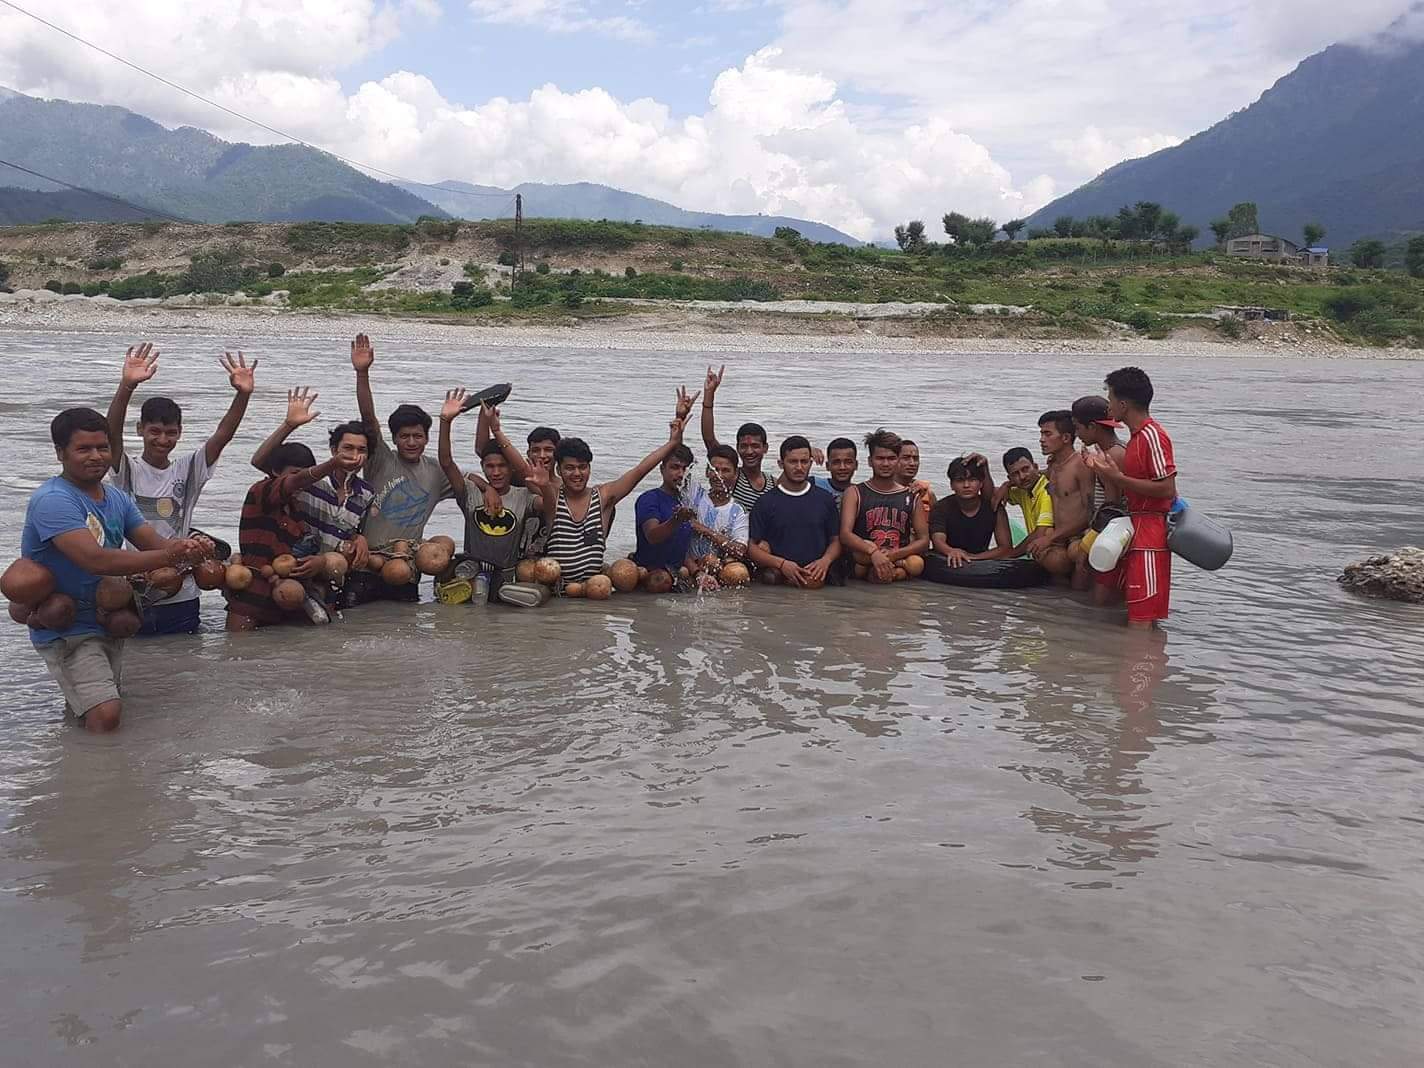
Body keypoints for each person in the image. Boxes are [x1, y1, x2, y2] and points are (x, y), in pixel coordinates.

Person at [22, 408, 207, 731]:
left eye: (102, 447)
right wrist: (170, 556)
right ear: (60, 453)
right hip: (66, 625)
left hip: (105, 619)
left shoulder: (117, 498)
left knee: (89, 711)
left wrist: (189, 548)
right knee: (106, 714)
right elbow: (96, 560)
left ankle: (76, 758)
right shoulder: (53, 499)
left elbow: (153, 543)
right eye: (84, 449)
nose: (96, 456)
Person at [104, 342, 254, 634]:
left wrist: (243, 395)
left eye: (170, 433)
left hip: (183, 592)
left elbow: (223, 435)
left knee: (185, 654)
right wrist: (127, 386)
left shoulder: (187, 470)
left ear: (180, 433)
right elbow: (111, 436)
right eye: (155, 431)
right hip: (139, 585)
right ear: (140, 430)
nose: (162, 440)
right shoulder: (127, 471)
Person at [545, 388, 699, 585]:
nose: (577, 474)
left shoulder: (603, 497)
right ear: (558, 470)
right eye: (569, 468)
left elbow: (640, 470)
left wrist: (673, 441)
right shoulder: (551, 498)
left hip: (596, 587)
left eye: (582, 467)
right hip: (556, 588)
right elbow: (525, 474)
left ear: (589, 468)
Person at [350, 333, 454, 602]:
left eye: (417, 436)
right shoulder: (381, 459)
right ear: (395, 439)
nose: (411, 442)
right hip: (367, 562)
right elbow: (369, 420)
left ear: (427, 438)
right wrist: (362, 373)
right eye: (404, 436)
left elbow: (466, 483)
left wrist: (486, 488)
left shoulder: (436, 472)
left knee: (405, 621)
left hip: (406, 565)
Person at [224, 443, 365, 631]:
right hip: (252, 594)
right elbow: (295, 481)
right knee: (237, 644)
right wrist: (333, 464)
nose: (302, 483)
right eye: (295, 474)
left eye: (304, 475)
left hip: (285, 594)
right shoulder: (261, 491)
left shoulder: (296, 506)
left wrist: (317, 562)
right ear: (276, 472)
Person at [1084, 367, 1178, 627]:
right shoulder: (1136, 438)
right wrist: (1106, 472)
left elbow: (1167, 489)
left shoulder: (1152, 436)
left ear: (1123, 405)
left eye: (1111, 399)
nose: (1109, 406)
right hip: (1134, 529)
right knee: (1123, 606)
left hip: (1150, 534)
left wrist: (1117, 478)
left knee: (1141, 620)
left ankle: (1142, 654)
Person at [438, 391, 554, 589]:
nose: (496, 472)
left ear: (511, 468)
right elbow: (447, 462)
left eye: (502, 466)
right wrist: (445, 422)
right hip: (472, 571)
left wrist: (544, 486)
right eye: (490, 467)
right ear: (482, 467)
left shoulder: (523, 495)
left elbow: (550, 506)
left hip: (506, 576)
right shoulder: (470, 492)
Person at [249, 387, 374, 569]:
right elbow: (259, 461)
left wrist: (359, 537)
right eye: (348, 448)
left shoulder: (366, 494)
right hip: (293, 565)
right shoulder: (310, 479)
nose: (354, 455)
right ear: (334, 450)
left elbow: (349, 529)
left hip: (329, 572)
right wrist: (289, 425)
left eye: (361, 450)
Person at [747, 436, 843, 587]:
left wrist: (825, 561)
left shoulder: (825, 499)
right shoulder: (765, 502)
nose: (799, 467)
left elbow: (836, 541)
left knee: (813, 583)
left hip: (815, 572)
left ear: (811, 463)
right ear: (781, 464)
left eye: (804, 462)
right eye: (793, 462)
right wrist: (782, 564)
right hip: (779, 572)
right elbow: (752, 548)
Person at [840, 428, 930, 581]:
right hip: (865, 556)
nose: (886, 463)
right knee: (860, 559)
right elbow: (845, 534)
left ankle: (888, 571)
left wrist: (894, 555)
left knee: (916, 564)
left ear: (898, 460)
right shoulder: (854, 493)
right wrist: (873, 552)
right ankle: (889, 572)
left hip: (897, 556)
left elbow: (924, 540)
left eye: (891, 458)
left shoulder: (911, 496)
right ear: (870, 461)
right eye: (880, 458)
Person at [1022, 410, 1094, 578]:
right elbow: (1035, 477)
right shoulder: (1053, 465)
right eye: (1041, 434)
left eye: (1047, 434)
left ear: (1066, 438)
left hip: (1077, 536)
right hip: (1059, 537)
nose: (1041, 439)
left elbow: (1089, 513)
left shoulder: (1081, 465)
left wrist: (1049, 538)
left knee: (1070, 559)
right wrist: (1007, 485)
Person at [700, 365, 773, 512]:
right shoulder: (731, 475)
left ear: (765, 448)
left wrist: (809, 449)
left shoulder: (773, 483)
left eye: (755, 446)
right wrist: (709, 396)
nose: (749, 451)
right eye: (744, 446)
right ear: (737, 448)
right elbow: (709, 438)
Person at [929, 455, 1015, 567]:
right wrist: (951, 551)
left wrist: (973, 557)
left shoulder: (994, 507)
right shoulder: (941, 507)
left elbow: (1005, 548)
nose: (966, 485)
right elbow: (938, 541)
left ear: (981, 483)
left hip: (980, 560)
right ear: (951, 485)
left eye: (972, 480)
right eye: (960, 480)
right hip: (947, 559)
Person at [631, 444, 697, 580]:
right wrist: (676, 520)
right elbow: (652, 536)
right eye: (675, 467)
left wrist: (698, 573)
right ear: (662, 469)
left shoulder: (688, 501)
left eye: (685, 469)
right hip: (649, 575)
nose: (681, 474)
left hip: (677, 573)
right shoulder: (649, 499)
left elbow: (682, 546)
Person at [688, 445, 750, 564]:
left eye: (725, 470)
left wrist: (705, 530)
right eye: (715, 470)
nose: (719, 476)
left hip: (720, 567)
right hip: (690, 564)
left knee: (737, 572)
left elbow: (740, 550)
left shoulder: (738, 511)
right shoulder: (694, 495)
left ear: (735, 473)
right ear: (707, 472)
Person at [1071, 395, 1127, 511]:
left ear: (1092, 426)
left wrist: (1101, 471)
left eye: (1077, 428)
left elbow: (1113, 506)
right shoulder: (1115, 449)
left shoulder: (1112, 456)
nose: (1076, 434)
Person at [998, 446, 1054, 545]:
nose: (1022, 476)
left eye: (1025, 469)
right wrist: (1005, 485)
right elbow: (993, 493)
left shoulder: (1047, 490)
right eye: (1015, 474)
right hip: (1037, 546)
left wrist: (1012, 552)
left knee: (1047, 532)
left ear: (1035, 467)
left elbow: (1040, 533)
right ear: (1010, 478)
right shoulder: (1023, 491)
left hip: (1054, 545)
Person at [812, 437, 858, 508]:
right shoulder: (815, 484)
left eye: (848, 462)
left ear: (856, 465)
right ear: (827, 466)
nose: (842, 467)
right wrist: (806, 450)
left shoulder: (860, 492)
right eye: (836, 462)